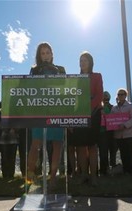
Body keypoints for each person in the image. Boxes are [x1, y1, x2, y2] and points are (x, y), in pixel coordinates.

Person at [27, 42, 65, 190]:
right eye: (42, 53)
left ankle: (53, 177)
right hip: (39, 110)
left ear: (52, 54)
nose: (45, 56)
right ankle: (30, 176)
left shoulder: (60, 69)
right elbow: (30, 88)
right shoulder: (34, 70)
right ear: (39, 55)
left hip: (57, 110)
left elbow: (65, 87)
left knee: (57, 144)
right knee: (35, 144)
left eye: (47, 52)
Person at [69, 51, 103, 186]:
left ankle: (94, 176)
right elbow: (73, 100)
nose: (83, 63)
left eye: (85, 60)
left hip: (94, 114)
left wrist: (87, 109)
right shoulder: (75, 79)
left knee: (92, 146)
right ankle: (84, 174)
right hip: (78, 116)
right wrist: (72, 119)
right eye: (81, 60)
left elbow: (99, 96)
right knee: (81, 147)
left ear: (90, 63)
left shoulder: (97, 76)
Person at [111, 88, 132, 174]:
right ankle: (125, 169)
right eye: (119, 94)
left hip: (128, 134)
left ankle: (129, 170)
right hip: (118, 134)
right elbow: (111, 120)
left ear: (125, 95)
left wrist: (125, 125)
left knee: (129, 152)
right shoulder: (114, 108)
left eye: (122, 94)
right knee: (122, 152)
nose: (120, 96)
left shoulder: (130, 106)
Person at [99, 91, 118, 175]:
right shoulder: (98, 108)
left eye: (106, 96)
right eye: (103, 96)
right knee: (103, 152)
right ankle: (103, 170)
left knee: (113, 151)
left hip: (112, 132)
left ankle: (113, 168)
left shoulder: (114, 107)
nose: (105, 98)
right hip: (102, 132)